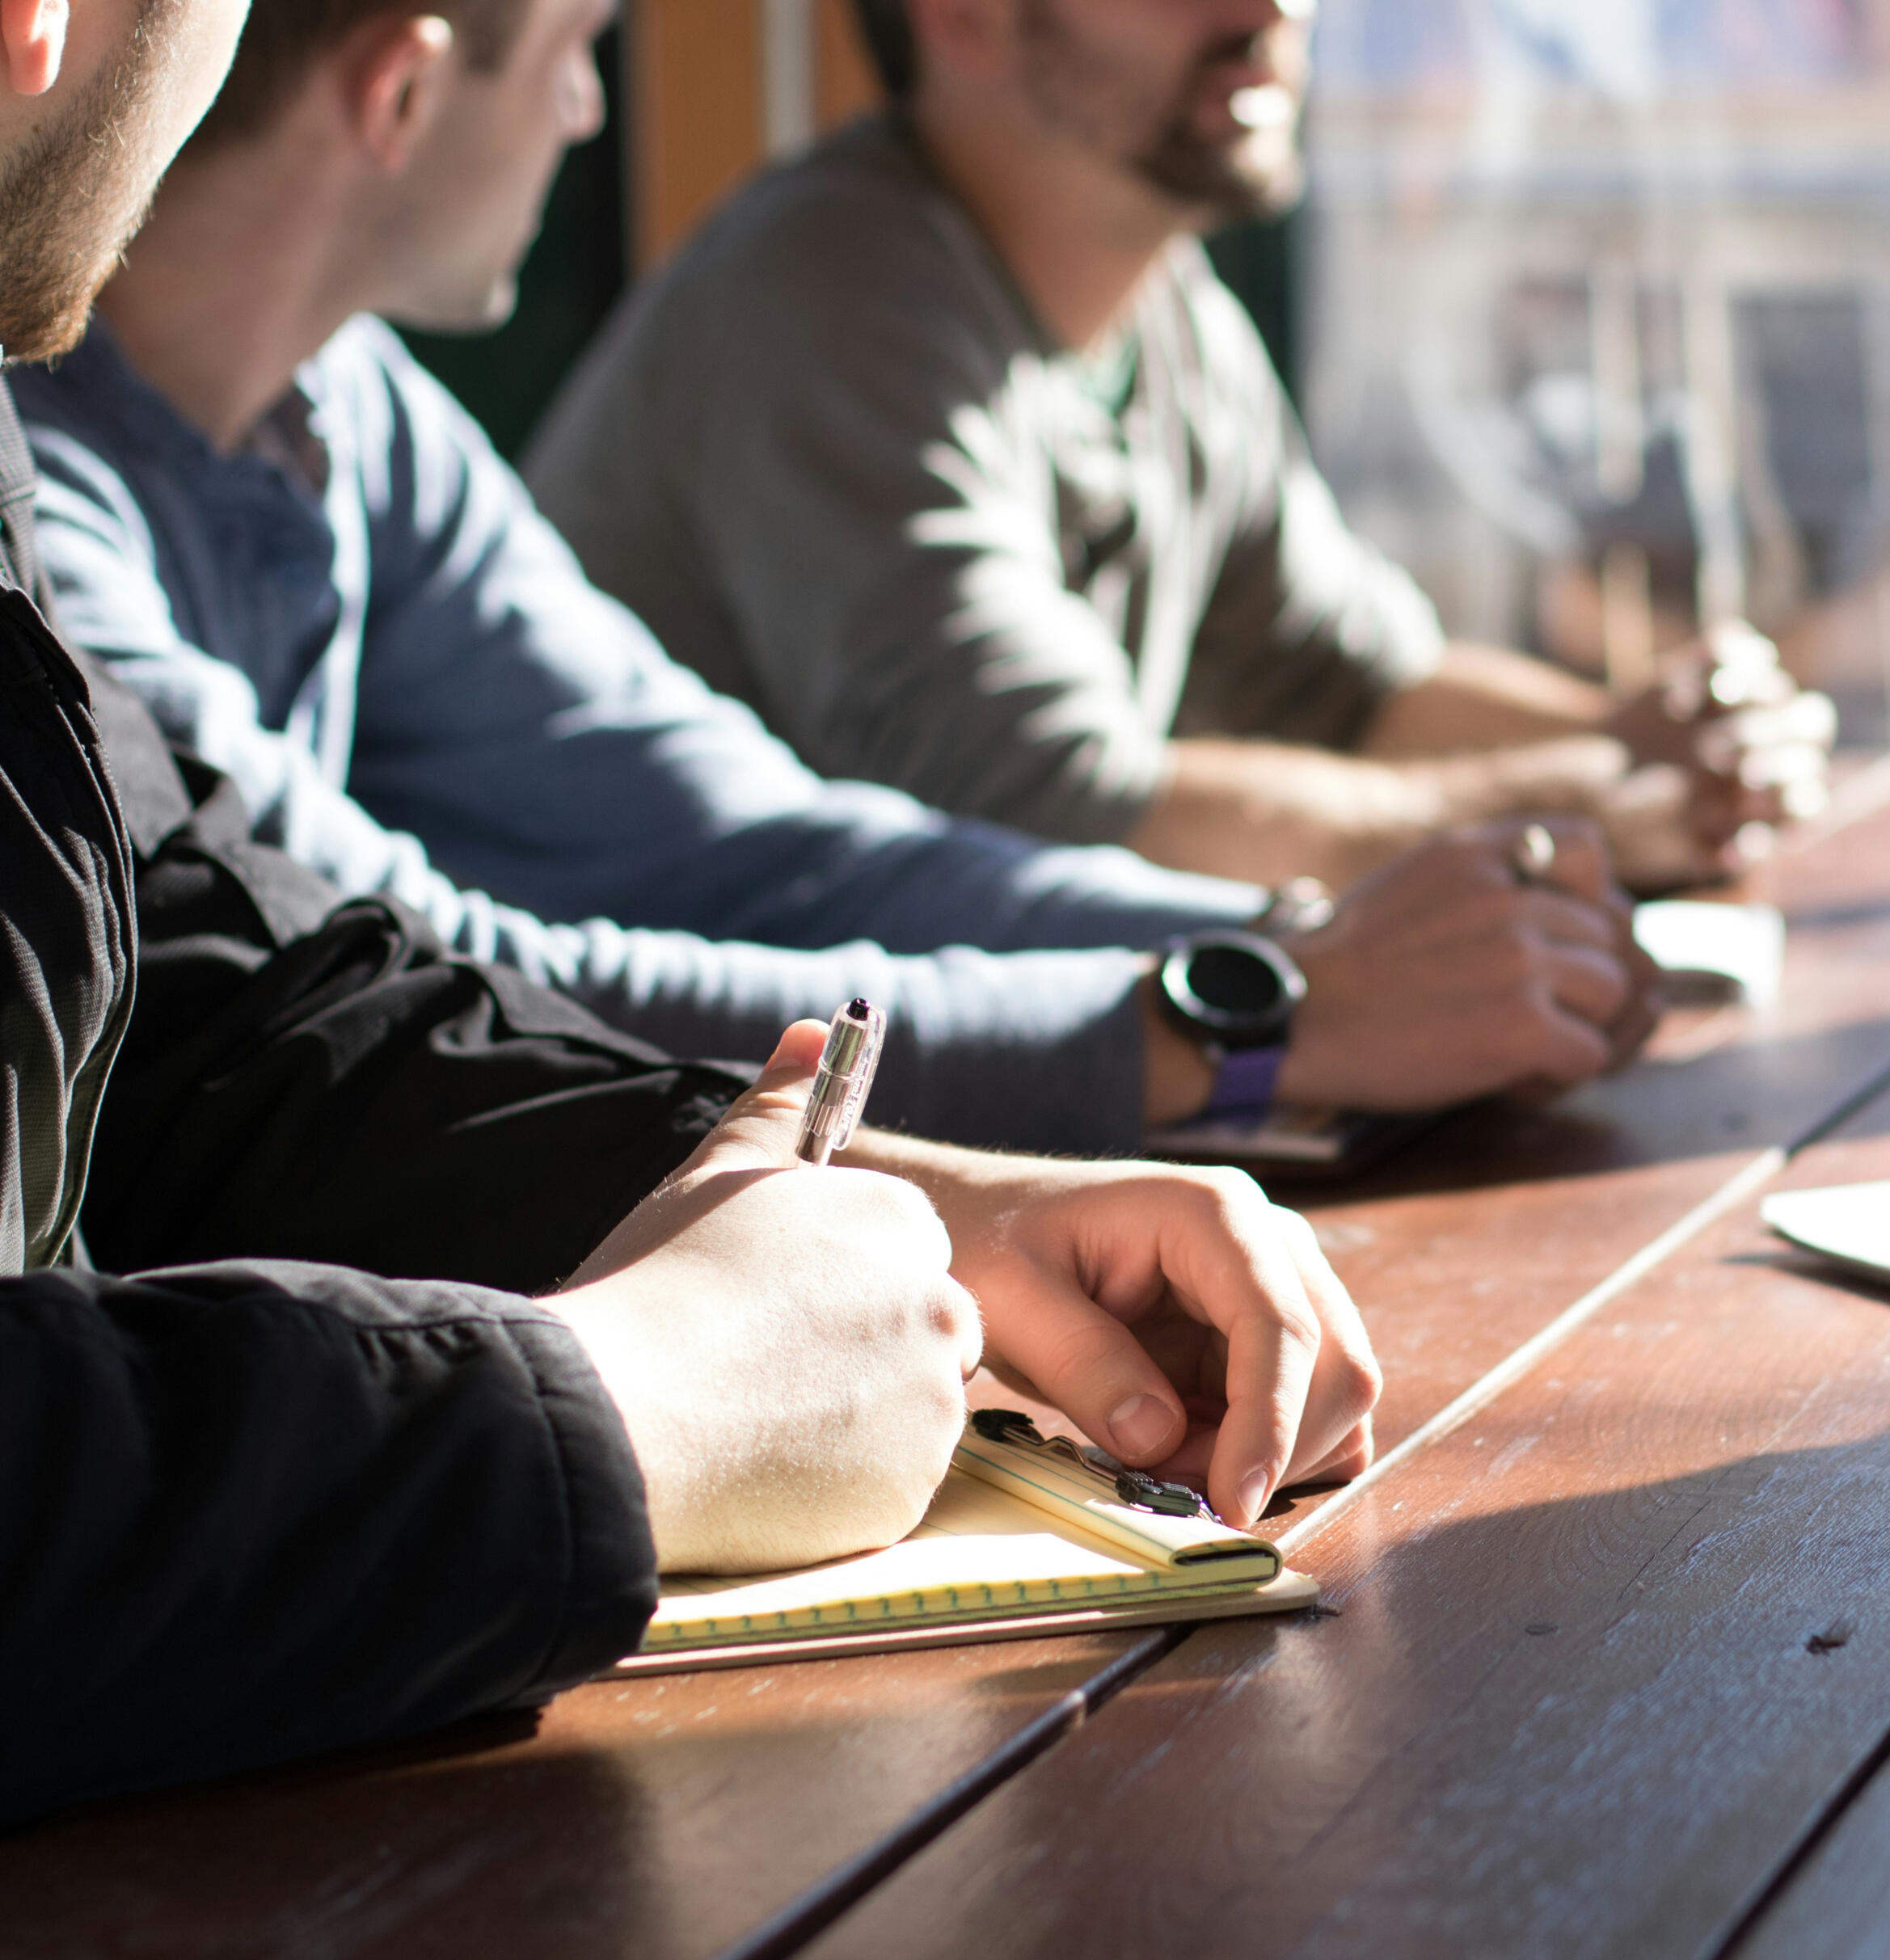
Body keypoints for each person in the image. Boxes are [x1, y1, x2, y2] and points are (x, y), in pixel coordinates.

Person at [0, 0, 1385, 1831]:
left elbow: (221, 1000)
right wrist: (627, 1397)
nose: (592, 108)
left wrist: (857, 1199)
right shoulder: (836, 286)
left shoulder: (307, 423)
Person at [21, 0, 1661, 1159]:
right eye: (591, 45)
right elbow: (414, 990)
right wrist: (1243, 1016)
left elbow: (743, 839)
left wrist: (1284, 942)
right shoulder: (45, 520)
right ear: (397, 96)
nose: (595, 111)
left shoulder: (346, 410)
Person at [525, 0, 1837, 899]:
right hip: (682, 1136)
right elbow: (1064, 816)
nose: (1275, 6)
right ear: (964, 14)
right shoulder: (827, 297)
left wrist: (1659, 740)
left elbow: (1354, 685)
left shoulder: (1162, 301)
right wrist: (1588, 804)